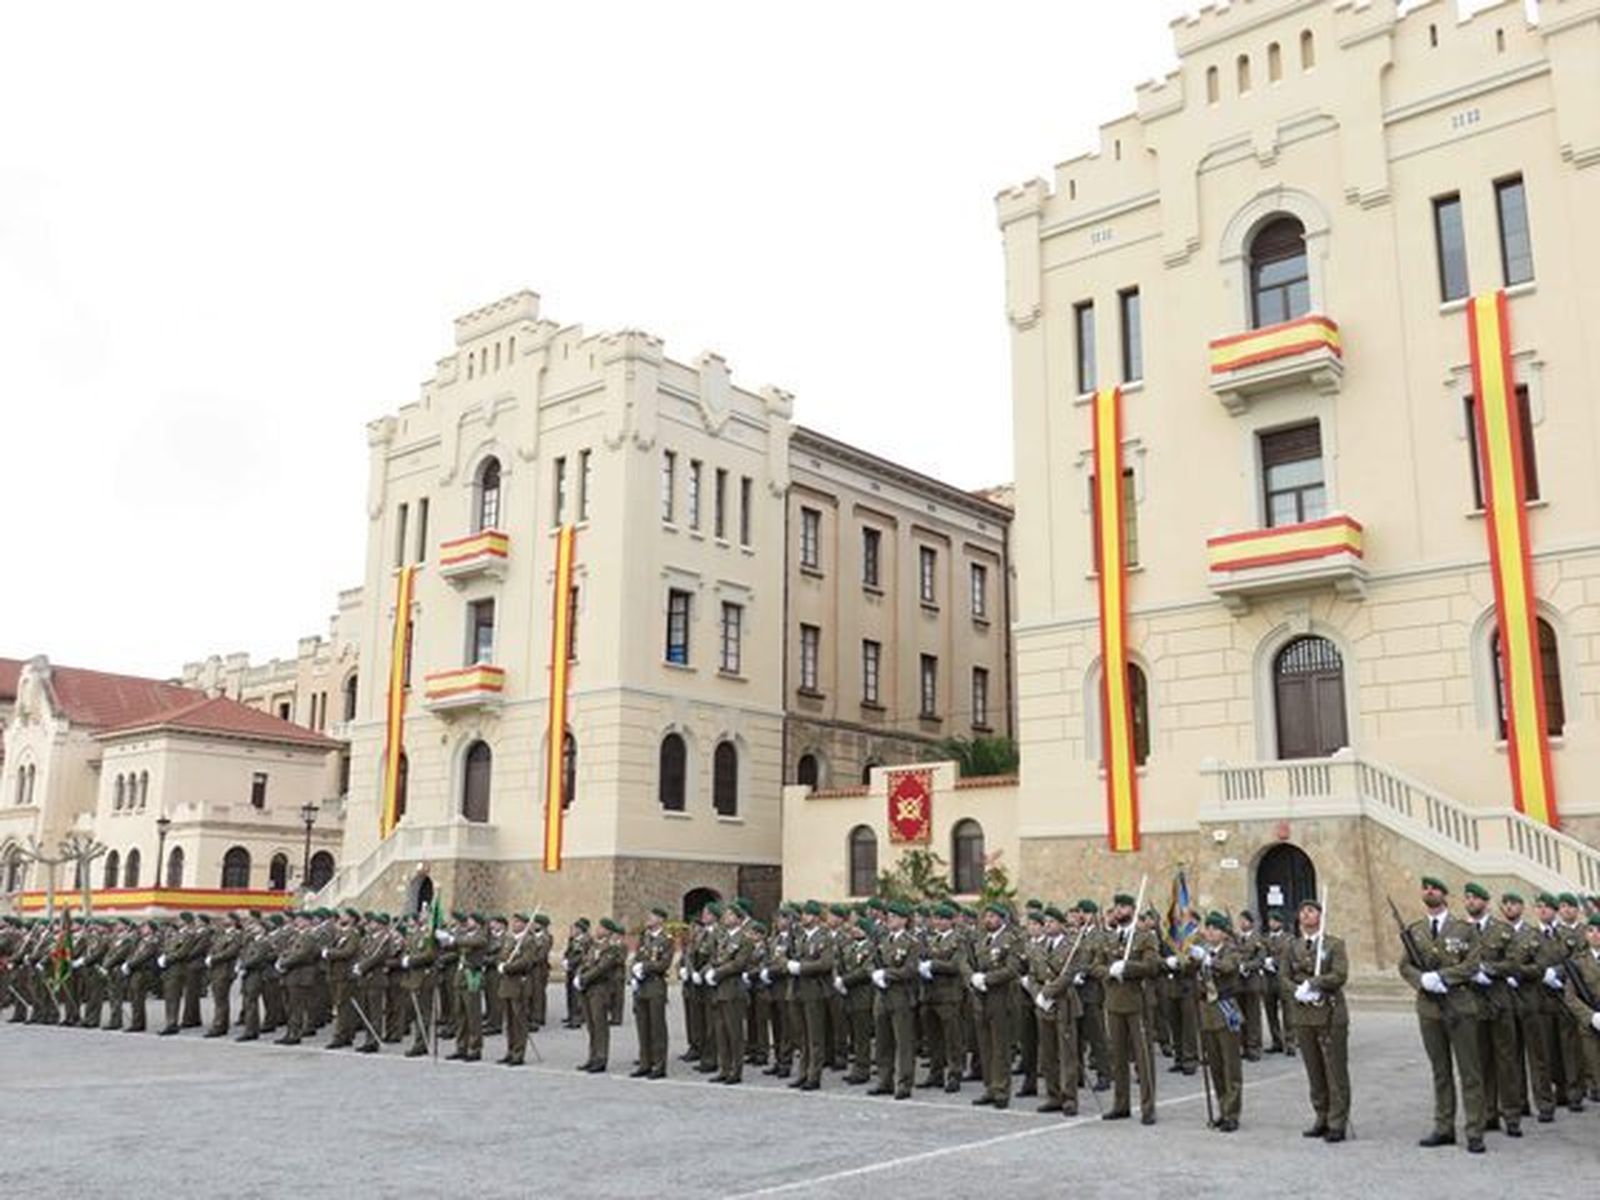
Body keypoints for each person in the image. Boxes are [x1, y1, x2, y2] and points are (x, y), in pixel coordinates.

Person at [1399, 876, 1487, 1153]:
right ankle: (1443, 1127)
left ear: (1445, 894)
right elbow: (1404, 965)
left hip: (1459, 1005)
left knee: (1470, 1071)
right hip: (1429, 1009)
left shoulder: (1464, 929)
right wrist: (1421, 980)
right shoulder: (1415, 931)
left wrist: (1442, 976)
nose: (1429, 891)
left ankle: (1474, 1130)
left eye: (1435, 888)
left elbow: (1472, 964)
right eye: (1425, 888)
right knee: (1440, 1071)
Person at [1283, 898, 1349, 1142]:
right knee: (1314, 1069)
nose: (1306, 915)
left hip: (1330, 1014)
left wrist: (1314, 983)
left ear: (1320, 916)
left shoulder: (1334, 944)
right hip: (1303, 1014)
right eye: (1302, 911)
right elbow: (1283, 977)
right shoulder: (1292, 947)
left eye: (1311, 911)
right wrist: (1296, 990)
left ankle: (1337, 1120)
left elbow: (1340, 974)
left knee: (1334, 1070)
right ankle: (1321, 1115)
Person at [1463, 881, 1522, 1136]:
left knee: (1506, 1061)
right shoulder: (1459, 930)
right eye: (1467, 898)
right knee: (1481, 1062)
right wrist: (1469, 974)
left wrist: (1490, 970)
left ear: (1485, 902)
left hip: (1499, 1001)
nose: (1470, 902)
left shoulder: (1502, 930)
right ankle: (1488, 1113)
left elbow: (1514, 961)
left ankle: (1511, 1115)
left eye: (1475, 898)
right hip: (1472, 1004)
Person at [1097, 891, 1160, 1124]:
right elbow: (1096, 966)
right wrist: (1109, 971)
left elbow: (1152, 966)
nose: (1119, 911)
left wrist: (1128, 967)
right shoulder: (1110, 938)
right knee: (1118, 1056)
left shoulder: (1144, 937)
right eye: (1117, 907)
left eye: (1123, 907)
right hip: (1113, 1001)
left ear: (1133, 910)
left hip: (1136, 1002)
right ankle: (1120, 1104)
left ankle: (1148, 1107)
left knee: (1143, 1058)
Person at [1194, 911, 1244, 1132]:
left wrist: (1208, 960)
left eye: (1215, 928)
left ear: (1224, 933)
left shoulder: (1231, 950)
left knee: (1230, 1065)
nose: (1210, 931)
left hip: (1225, 1010)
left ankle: (1232, 1113)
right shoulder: (1203, 951)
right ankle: (1222, 1109)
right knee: (1215, 1065)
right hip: (1207, 1012)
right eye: (1209, 928)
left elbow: (1228, 968)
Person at [868, 900, 919, 1101]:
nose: (890, 919)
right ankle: (884, 1080)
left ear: (904, 920)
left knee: (903, 1041)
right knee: (883, 1040)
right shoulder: (883, 940)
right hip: (882, 996)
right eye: (889, 916)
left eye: (895, 916)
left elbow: (910, 969)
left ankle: (904, 1083)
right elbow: (871, 961)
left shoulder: (911, 942)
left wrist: (886, 974)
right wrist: (874, 974)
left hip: (900, 996)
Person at [786, 899, 834, 1091]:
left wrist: (802, 967)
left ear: (815, 917)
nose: (803, 917)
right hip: (796, 989)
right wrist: (788, 964)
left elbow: (826, 963)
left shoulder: (825, 937)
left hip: (814, 990)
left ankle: (814, 1076)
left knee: (814, 1036)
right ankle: (803, 1073)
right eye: (803, 914)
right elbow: (784, 954)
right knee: (801, 1036)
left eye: (807, 914)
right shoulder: (798, 936)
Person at [708, 901, 757, 1084]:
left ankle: (736, 1071)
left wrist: (718, 972)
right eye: (725, 915)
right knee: (721, 1032)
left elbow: (739, 963)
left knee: (734, 1032)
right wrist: (711, 970)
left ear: (738, 918)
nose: (725, 918)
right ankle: (724, 1068)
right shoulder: (722, 938)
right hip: (719, 989)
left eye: (730, 915)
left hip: (733, 989)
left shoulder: (745, 939)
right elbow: (714, 957)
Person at [575, 917, 625, 1072]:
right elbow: (585, 962)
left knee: (600, 1025)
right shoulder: (593, 946)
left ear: (608, 931)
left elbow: (602, 967)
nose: (598, 930)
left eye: (601, 928)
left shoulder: (612, 948)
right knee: (591, 1025)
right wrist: (578, 975)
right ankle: (592, 1057)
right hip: (588, 988)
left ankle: (601, 1058)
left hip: (601, 989)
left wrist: (583, 979)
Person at [630, 905, 674, 1078]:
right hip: (641, 986)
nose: (649, 918)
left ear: (661, 920)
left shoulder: (666, 939)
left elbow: (664, 963)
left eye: (652, 916)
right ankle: (645, 1062)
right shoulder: (645, 937)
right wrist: (633, 972)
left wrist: (645, 967)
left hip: (655, 986)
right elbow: (636, 958)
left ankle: (659, 1065)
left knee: (657, 1027)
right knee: (643, 1026)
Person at [495, 912, 539, 1067]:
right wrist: (501, 963)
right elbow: (501, 955)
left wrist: (507, 967)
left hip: (519, 984)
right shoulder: (509, 939)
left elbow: (526, 962)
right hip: (507, 984)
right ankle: (510, 1050)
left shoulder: (528, 941)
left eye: (518, 922)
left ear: (524, 924)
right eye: (513, 922)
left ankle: (519, 1053)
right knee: (509, 1021)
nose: (514, 925)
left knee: (519, 1020)